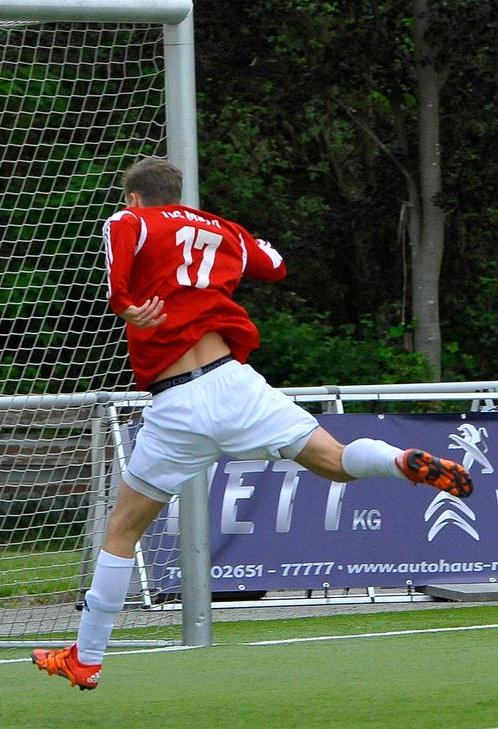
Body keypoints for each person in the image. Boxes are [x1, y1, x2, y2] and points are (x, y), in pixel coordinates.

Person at [30, 157, 474, 690]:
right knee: (334, 462)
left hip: (177, 403)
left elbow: (120, 250)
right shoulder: (221, 229)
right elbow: (276, 264)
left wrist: (124, 303)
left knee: (123, 530)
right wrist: (229, 237)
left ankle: (88, 658)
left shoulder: (131, 220)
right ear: (180, 195)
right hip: (236, 384)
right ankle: (399, 461)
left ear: (134, 196)